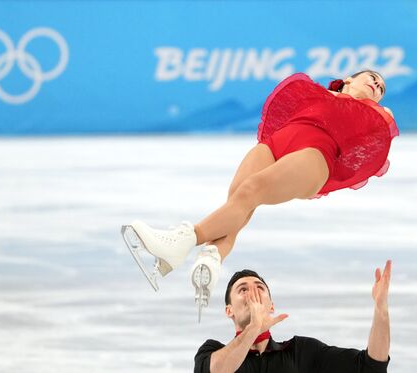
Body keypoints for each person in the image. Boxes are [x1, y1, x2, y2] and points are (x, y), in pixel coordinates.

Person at [123, 71, 398, 308]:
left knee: (251, 190)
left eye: (382, 88)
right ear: (349, 79)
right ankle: (211, 258)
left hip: (315, 155)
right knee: (237, 199)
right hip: (279, 141)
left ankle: (182, 241)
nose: (377, 85)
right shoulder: (315, 92)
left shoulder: (374, 115)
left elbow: (372, 143)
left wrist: (376, 113)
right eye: (372, 78)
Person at [194, 262, 392, 373]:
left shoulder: (301, 352)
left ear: (271, 306)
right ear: (229, 310)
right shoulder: (211, 352)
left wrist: (381, 310)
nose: (253, 294)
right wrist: (253, 328)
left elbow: (371, 367)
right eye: (243, 289)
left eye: (259, 288)